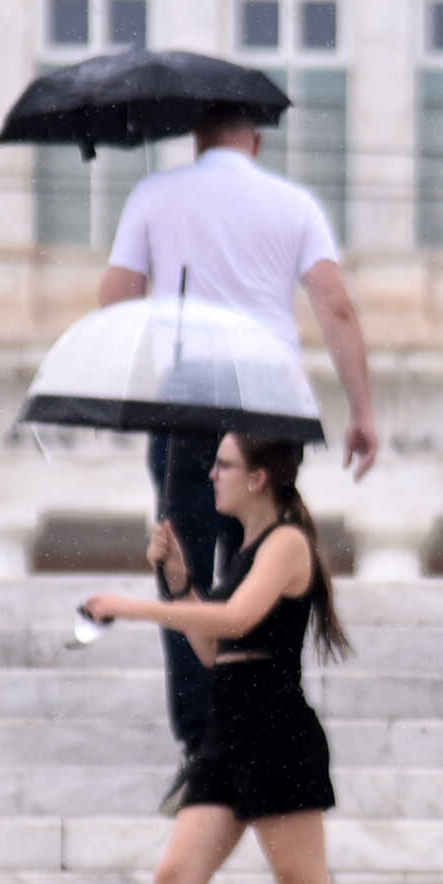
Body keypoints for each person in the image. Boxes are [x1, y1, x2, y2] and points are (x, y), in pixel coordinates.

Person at [100, 105, 378, 810]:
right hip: (269, 402)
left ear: (197, 136)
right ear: (254, 139)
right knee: (257, 559)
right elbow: (335, 306)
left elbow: (117, 297)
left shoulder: (155, 196)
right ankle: (255, 715)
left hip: (186, 396)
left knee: (181, 561)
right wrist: (361, 411)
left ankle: (203, 740)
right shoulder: (293, 203)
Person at [85, 431, 369, 884]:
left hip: (275, 730)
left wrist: (135, 607)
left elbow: (238, 618)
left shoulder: (286, 543)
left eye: (226, 466)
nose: (212, 475)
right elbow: (217, 650)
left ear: (258, 478)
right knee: (175, 881)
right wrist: (180, 584)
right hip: (228, 728)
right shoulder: (244, 550)